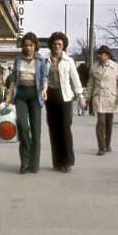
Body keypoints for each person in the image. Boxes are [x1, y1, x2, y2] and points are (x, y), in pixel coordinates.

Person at [4, 32, 48, 174]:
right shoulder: (18, 59)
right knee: (23, 127)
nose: (28, 48)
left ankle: (34, 164)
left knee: (36, 131)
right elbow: (14, 79)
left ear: (35, 46)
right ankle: (24, 162)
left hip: (35, 96)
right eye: (26, 45)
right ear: (22, 46)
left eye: (31, 45)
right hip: (20, 95)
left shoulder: (40, 61)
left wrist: (44, 91)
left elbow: (44, 78)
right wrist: (8, 97)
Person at [45, 32, 83, 173]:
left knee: (65, 127)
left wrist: (80, 96)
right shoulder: (45, 60)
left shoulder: (69, 61)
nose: (57, 46)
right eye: (55, 44)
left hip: (65, 97)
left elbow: (75, 79)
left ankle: (67, 161)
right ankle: (57, 161)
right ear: (51, 45)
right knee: (54, 129)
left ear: (64, 46)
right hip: (51, 97)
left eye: (60, 44)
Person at [83, 45, 118, 155]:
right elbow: (90, 84)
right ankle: (101, 147)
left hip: (111, 98)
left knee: (109, 123)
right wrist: (86, 98)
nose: (98, 56)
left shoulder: (115, 67)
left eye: (101, 54)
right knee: (100, 122)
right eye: (98, 54)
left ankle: (107, 144)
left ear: (107, 55)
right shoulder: (94, 67)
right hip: (99, 97)